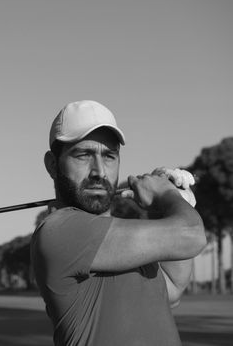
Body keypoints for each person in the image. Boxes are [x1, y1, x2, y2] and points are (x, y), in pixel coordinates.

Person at [30, 100, 206, 346]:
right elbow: (191, 236)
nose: (99, 171)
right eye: (83, 155)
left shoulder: (121, 240)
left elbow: (172, 289)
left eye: (109, 156)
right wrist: (167, 197)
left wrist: (170, 205)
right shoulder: (60, 231)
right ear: (52, 164)